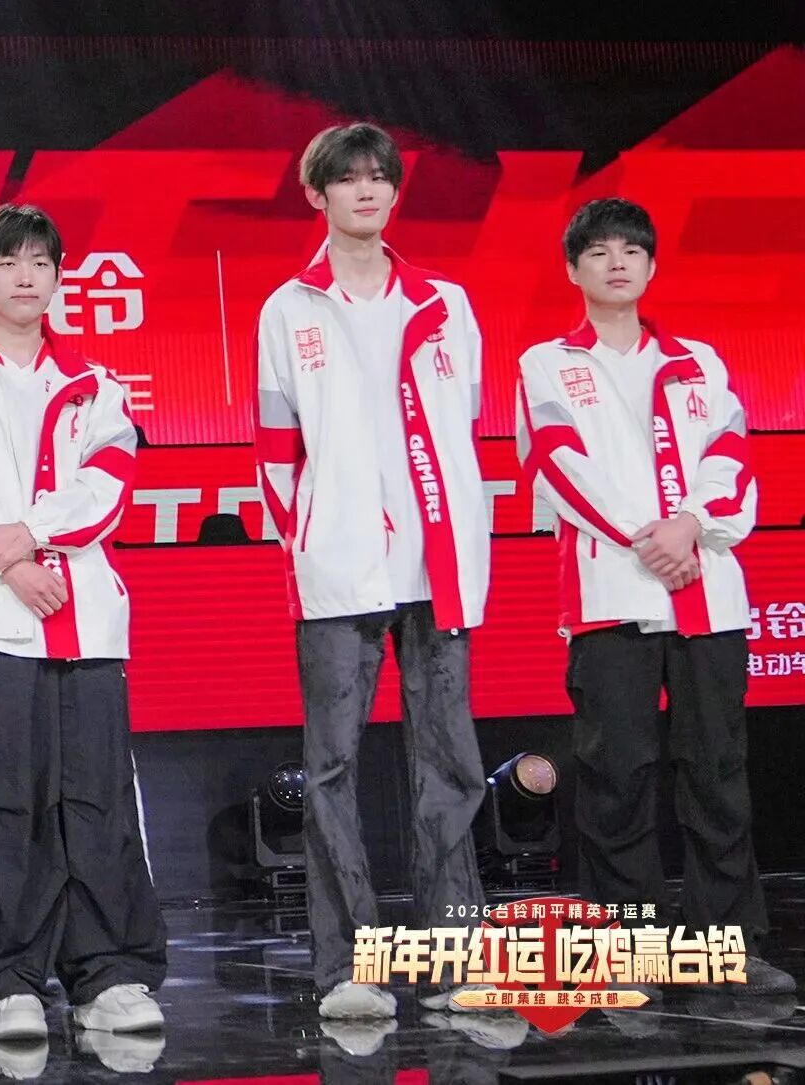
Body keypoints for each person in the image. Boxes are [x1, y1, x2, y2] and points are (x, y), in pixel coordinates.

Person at [516, 197, 793, 997]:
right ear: (573, 269)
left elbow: (733, 459)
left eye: (631, 250)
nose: (617, 262)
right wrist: (654, 538)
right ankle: (625, 951)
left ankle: (726, 944)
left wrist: (690, 524)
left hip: (709, 596)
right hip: (610, 592)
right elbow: (559, 464)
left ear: (652, 265)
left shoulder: (700, 361)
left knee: (718, 771)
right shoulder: (546, 363)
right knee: (616, 776)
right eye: (599, 251)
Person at [0, 203, 167, 1047]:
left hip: (86, 618)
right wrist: (13, 563)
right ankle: (15, 981)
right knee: (6, 804)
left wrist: (32, 534)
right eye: (9, 262)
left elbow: (109, 483)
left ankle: (111, 974)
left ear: (59, 276)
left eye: (41, 263)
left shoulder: (97, 383)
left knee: (100, 801)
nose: (27, 277)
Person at [254, 123, 491, 1020]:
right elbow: (274, 449)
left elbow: (465, 428)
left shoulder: (446, 303)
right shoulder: (289, 308)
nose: (366, 190)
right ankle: (349, 966)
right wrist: (314, 536)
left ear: (395, 191)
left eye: (379, 177)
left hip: (437, 567)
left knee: (451, 763)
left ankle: (458, 959)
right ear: (317, 195)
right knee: (331, 769)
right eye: (347, 179)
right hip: (339, 569)